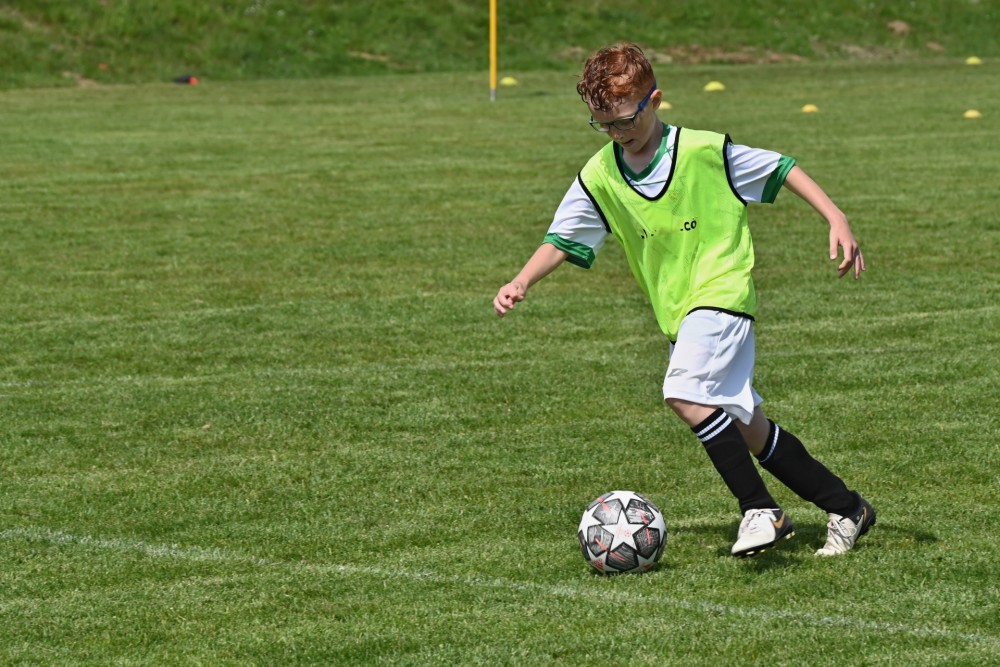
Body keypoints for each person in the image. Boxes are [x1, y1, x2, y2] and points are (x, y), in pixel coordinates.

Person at [492, 43, 876, 558]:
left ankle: (760, 509)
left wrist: (836, 217)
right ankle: (848, 508)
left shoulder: (703, 151)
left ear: (654, 100)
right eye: (602, 125)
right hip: (680, 314)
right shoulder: (601, 175)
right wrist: (521, 281)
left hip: (722, 293)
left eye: (625, 119)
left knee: (682, 392)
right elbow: (561, 238)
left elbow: (783, 168)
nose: (617, 132)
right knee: (748, 428)